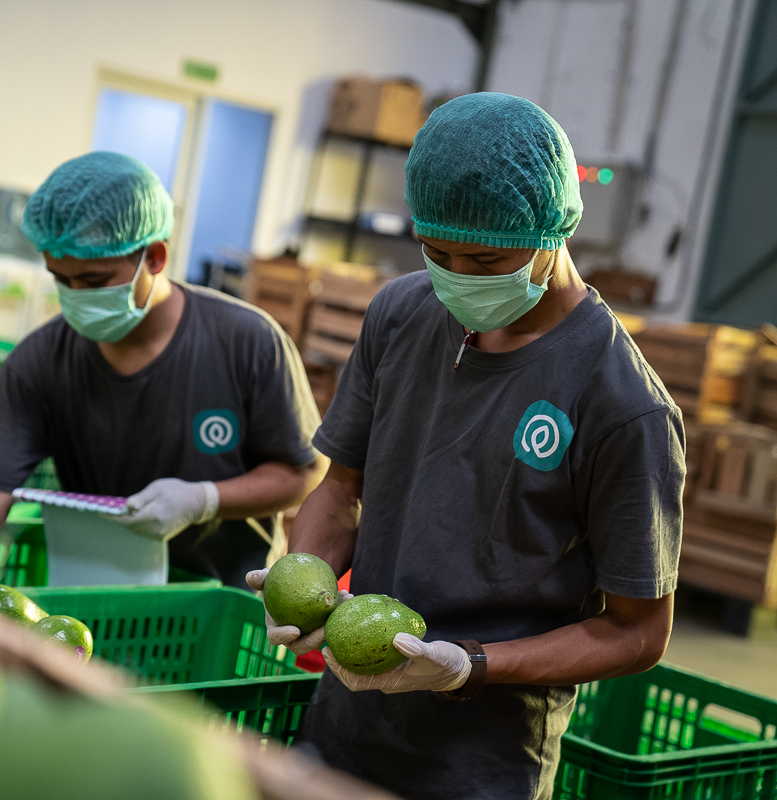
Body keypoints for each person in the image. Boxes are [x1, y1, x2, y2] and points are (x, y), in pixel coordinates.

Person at [246, 93, 684, 799]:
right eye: (436, 251)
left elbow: (637, 632)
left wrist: (469, 665)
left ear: (554, 230)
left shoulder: (623, 406)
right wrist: (306, 575)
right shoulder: (402, 314)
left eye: (485, 258)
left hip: (479, 768)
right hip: (342, 731)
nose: (457, 280)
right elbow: (338, 487)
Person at [0, 151, 325, 590]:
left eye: (94, 282)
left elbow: (304, 472)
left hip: (216, 605)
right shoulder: (40, 361)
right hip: (99, 598)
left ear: (154, 257)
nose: (76, 296)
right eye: (62, 279)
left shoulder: (247, 342)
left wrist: (204, 499)